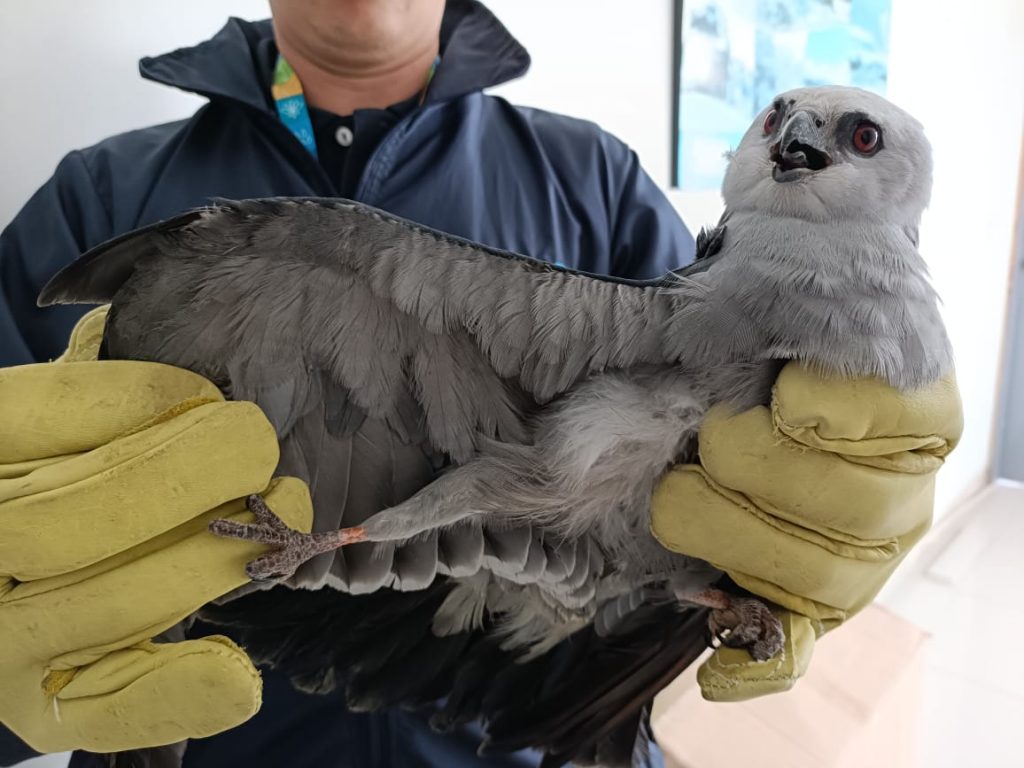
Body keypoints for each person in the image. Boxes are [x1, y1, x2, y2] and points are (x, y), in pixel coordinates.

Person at [0, 1, 961, 767]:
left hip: (527, 719)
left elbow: (719, 463)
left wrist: (812, 539)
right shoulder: (99, 195)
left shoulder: (591, 177)